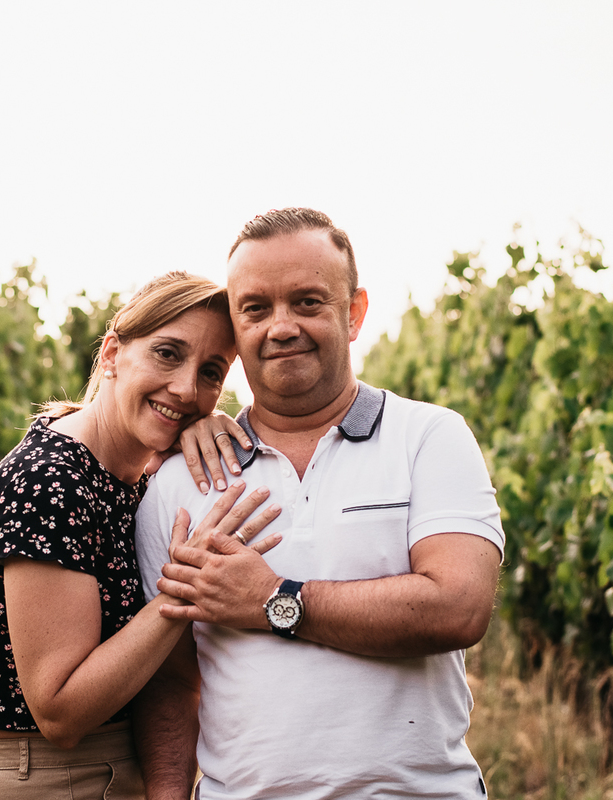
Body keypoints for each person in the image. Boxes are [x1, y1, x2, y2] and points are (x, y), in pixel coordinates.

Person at [133, 209, 505, 799]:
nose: (281, 327)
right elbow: (170, 681)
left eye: (307, 302)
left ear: (353, 312)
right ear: (234, 326)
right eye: (255, 308)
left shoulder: (430, 438)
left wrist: (273, 600)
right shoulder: (181, 480)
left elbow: (458, 608)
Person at [0, 271, 282, 800]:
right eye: (167, 354)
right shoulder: (50, 483)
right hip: (60, 778)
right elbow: (59, 711)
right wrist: (186, 588)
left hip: (104, 769)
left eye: (210, 372)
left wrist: (199, 432)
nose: (185, 388)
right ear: (111, 355)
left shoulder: (123, 477)